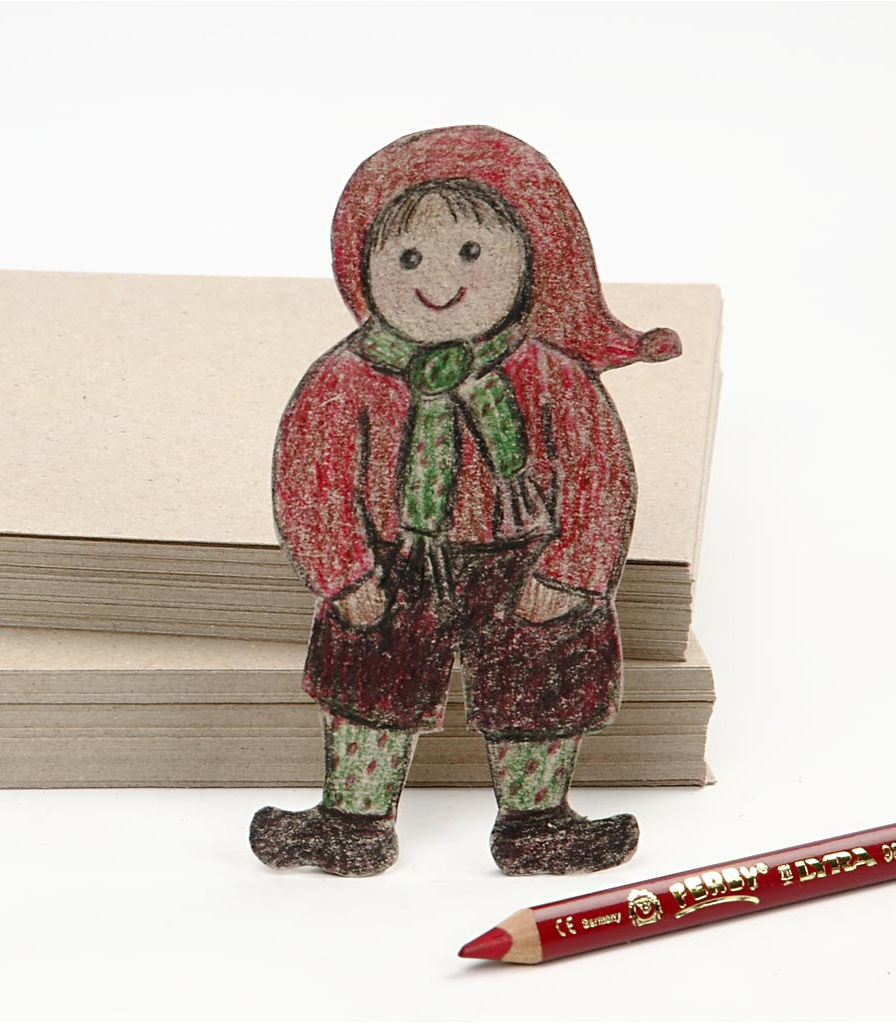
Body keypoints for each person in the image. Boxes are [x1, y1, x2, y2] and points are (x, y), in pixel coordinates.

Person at [249, 126, 680, 877]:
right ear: (366, 270)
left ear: (528, 262)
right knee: (369, 675)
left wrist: (572, 571)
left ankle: (536, 822)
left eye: (472, 253)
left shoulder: (551, 375)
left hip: (526, 559)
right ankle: (352, 820)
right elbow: (312, 482)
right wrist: (343, 574)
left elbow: (597, 477)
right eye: (409, 258)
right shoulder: (346, 379)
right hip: (392, 562)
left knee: (545, 671)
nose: (439, 281)